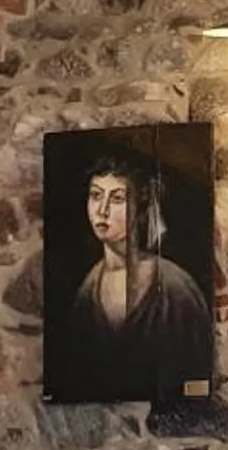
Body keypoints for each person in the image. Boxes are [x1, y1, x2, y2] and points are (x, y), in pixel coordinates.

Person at [55, 153, 214, 402]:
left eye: (117, 199)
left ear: (140, 208)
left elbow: (195, 366)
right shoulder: (88, 289)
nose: (102, 210)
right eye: (95, 195)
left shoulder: (175, 286)